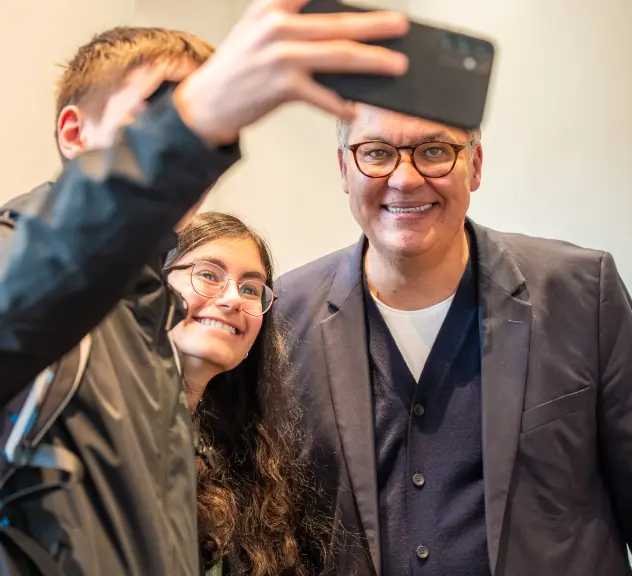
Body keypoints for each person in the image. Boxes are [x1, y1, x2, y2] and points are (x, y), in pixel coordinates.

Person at [0, 1, 410, 573]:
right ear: (74, 133)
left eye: (250, 287)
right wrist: (191, 127)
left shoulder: (147, 334)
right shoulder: (20, 262)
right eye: (161, 109)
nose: (198, 141)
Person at [275, 102, 632, 576]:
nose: (405, 179)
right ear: (344, 168)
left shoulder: (583, 294)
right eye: (377, 153)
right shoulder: (283, 315)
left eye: (434, 151)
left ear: (475, 164)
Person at [165, 211, 329, 576]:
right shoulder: (100, 432)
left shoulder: (247, 462)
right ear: (150, 289)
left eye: (251, 288)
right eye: (208, 275)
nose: (233, 299)